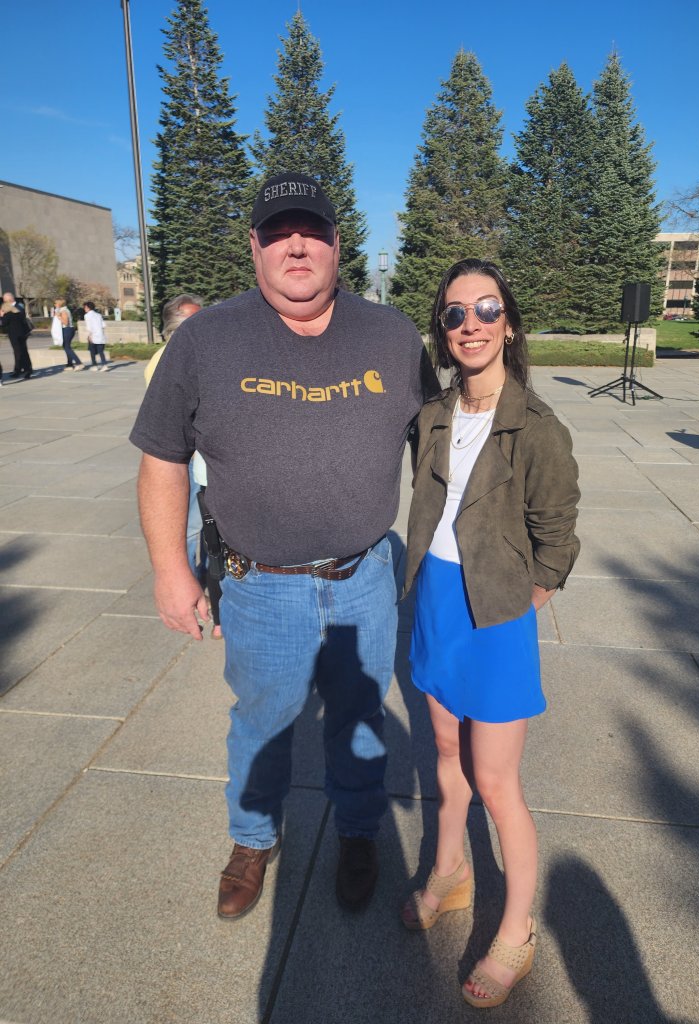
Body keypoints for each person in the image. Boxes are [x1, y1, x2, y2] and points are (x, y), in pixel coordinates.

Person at [130, 171, 437, 920]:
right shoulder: (205, 339)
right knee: (262, 721)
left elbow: (439, 449)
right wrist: (170, 570)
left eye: (311, 231)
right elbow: (163, 457)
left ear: (336, 243)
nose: (295, 246)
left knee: (360, 719)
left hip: (365, 577)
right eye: (278, 233)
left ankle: (357, 832)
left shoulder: (393, 337)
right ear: (255, 246)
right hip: (259, 584)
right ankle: (252, 838)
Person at [400, 258, 580, 1009]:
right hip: (436, 603)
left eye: (485, 309)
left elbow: (557, 539)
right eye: (454, 313)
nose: (469, 324)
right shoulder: (432, 416)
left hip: (496, 615)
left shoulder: (537, 428)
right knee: (445, 752)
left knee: (499, 783)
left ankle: (516, 927)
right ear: (441, 331)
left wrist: (517, 602)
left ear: (508, 324)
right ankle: (451, 871)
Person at [143, 294, 205, 583]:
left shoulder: (193, 356)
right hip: (188, 459)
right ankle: (190, 584)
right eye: (195, 321)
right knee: (191, 527)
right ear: (174, 328)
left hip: (204, 458)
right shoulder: (166, 362)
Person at [1, 292, 33, 379]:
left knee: (19, 352)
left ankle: (21, 370)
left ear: (9, 299)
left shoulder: (17, 307)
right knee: (22, 351)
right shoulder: (17, 308)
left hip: (16, 334)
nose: (4, 302)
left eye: (5, 300)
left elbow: (3, 323)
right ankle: (24, 369)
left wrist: (2, 315)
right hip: (21, 333)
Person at [52, 298, 83, 370]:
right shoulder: (62, 310)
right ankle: (69, 365)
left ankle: (79, 363)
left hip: (67, 329)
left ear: (59, 304)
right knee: (66, 347)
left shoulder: (64, 311)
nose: (54, 304)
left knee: (67, 347)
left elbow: (66, 323)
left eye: (55, 303)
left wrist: (59, 316)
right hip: (67, 329)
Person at [83, 301, 108, 370]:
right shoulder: (99, 315)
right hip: (100, 335)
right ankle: (104, 365)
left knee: (92, 351)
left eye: (85, 307)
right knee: (101, 351)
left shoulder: (87, 315)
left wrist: (89, 335)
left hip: (93, 335)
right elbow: (103, 325)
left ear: (88, 308)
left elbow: (89, 327)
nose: (84, 309)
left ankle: (94, 366)